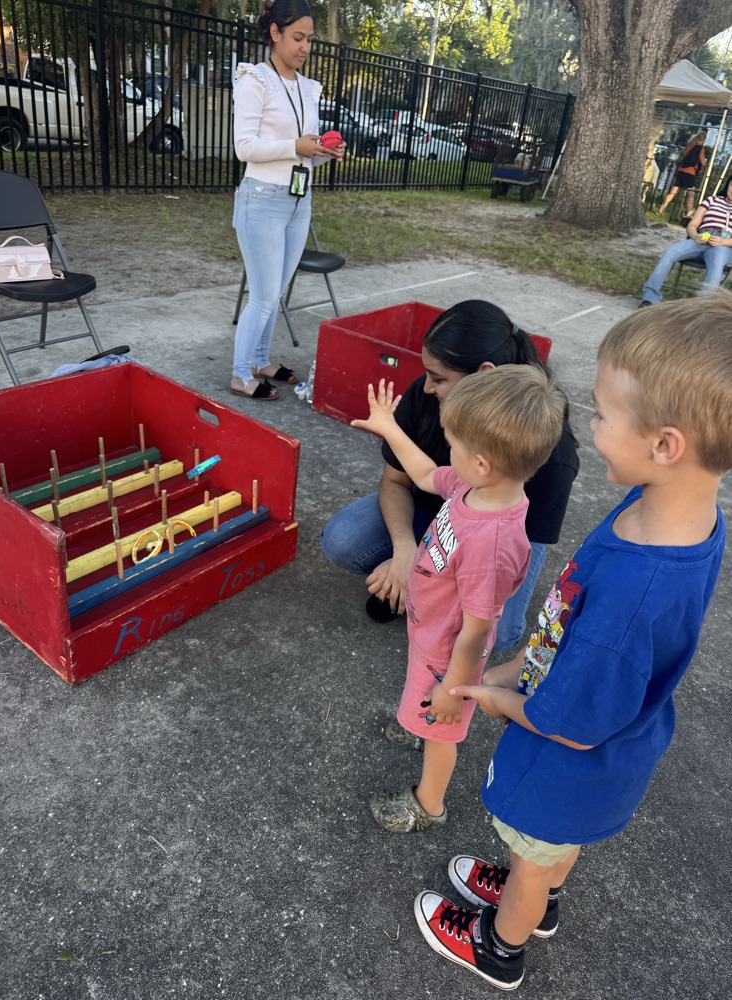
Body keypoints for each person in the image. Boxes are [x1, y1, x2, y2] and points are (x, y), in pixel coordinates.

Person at [412, 293, 732, 991]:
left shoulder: (633, 592)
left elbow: (572, 725)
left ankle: (501, 945)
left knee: (533, 855)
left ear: (665, 445)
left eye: (602, 414)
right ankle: (541, 899)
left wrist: (495, 695)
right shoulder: (676, 509)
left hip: (566, 762)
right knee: (554, 851)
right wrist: (523, 661)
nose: (589, 425)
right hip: (613, 751)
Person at [351, 368, 566, 834]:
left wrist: (452, 689)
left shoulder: (491, 544)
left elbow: (477, 631)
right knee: (426, 702)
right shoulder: (475, 487)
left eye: (451, 444)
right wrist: (389, 427)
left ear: (482, 462)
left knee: (442, 729)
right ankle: (420, 719)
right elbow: (427, 474)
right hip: (431, 630)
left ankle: (427, 805)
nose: (446, 452)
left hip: (448, 654)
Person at [321, 301, 579, 654]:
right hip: (444, 524)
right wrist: (405, 552)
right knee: (343, 539)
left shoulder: (551, 455)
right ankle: (414, 587)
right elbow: (415, 476)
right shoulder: (453, 467)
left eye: (439, 378)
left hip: (496, 544)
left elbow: (504, 553)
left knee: (496, 636)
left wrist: (420, 576)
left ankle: (415, 593)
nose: (426, 387)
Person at [231, 0, 345, 400]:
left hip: (299, 200)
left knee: (275, 292)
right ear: (275, 33)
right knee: (263, 296)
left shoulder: (307, 88)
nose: (305, 47)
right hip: (262, 198)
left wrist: (323, 151)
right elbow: (244, 147)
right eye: (298, 37)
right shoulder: (254, 80)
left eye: (310, 39)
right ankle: (240, 374)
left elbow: (302, 152)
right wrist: (295, 145)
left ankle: (261, 361)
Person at [639, 174, 732, 306]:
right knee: (670, 253)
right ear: (728, 184)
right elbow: (692, 225)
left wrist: (722, 242)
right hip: (701, 239)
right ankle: (649, 298)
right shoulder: (712, 200)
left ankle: (703, 308)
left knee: (717, 262)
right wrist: (695, 236)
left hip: (725, 244)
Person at [659, 131, 706, 217]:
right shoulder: (700, 148)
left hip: (681, 170)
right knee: (691, 193)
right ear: (703, 140)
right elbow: (703, 162)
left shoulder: (689, 146)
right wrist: (703, 165)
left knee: (673, 191)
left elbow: (684, 155)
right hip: (690, 172)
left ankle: (662, 208)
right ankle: (689, 212)